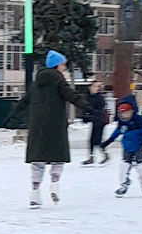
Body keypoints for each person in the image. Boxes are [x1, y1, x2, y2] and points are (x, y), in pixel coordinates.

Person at [10, 50, 87, 207]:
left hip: (37, 126)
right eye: (63, 64)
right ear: (57, 65)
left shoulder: (35, 83)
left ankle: (35, 192)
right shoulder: (59, 81)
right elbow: (71, 96)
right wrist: (87, 108)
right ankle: (54, 185)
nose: (64, 67)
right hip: (55, 125)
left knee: (38, 161)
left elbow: (25, 101)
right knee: (57, 158)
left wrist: (12, 114)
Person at [101, 94, 142, 196]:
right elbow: (117, 132)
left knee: (140, 167)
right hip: (127, 148)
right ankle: (124, 184)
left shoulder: (139, 120)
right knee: (123, 167)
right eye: (122, 114)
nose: (124, 116)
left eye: (126, 113)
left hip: (139, 147)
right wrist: (109, 141)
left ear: (132, 111)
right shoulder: (122, 123)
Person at [82, 80, 110, 165]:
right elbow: (86, 107)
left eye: (98, 86)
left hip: (100, 120)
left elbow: (99, 110)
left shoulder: (99, 97)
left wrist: (91, 114)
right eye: (95, 86)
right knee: (92, 139)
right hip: (94, 120)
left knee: (97, 139)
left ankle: (104, 155)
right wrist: (85, 116)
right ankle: (92, 157)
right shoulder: (88, 96)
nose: (97, 88)